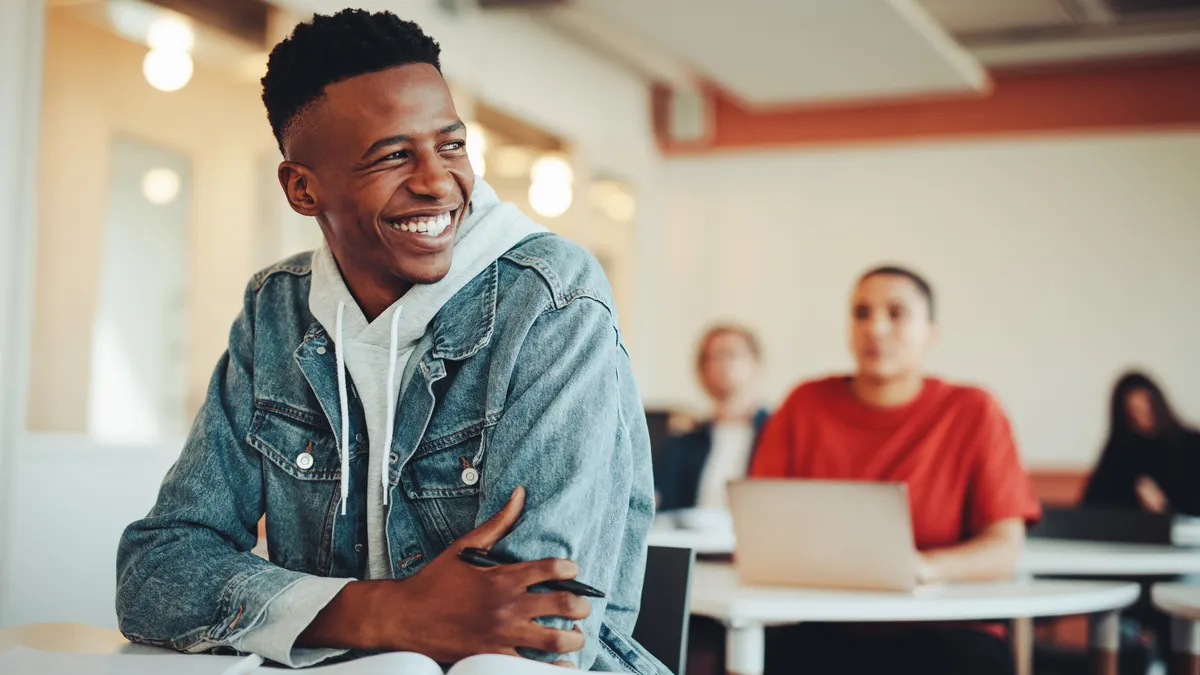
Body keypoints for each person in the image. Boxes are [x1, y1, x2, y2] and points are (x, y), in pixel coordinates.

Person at [115, 10, 664, 673]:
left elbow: (535, 626)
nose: (437, 181)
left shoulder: (550, 296)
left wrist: (313, 612)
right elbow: (156, 571)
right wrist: (386, 611)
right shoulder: (277, 311)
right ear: (302, 188)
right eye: (394, 154)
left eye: (451, 145)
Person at [750, 265, 1042, 675]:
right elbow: (762, 524)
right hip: (826, 622)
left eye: (897, 313)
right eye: (861, 313)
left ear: (931, 333)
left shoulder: (974, 411)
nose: (876, 328)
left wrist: (926, 567)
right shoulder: (804, 404)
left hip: (946, 627)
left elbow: (1004, 548)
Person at [656, 324, 769, 512]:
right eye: (708, 358)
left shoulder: (778, 435)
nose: (718, 364)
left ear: (757, 363)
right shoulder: (683, 442)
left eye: (730, 354)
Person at [1083, 371, 1200, 516]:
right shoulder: (1119, 451)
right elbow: (1091, 508)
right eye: (1135, 411)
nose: (1144, 418)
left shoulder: (1190, 444)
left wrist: (1165, 505)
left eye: (1147, 407)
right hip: (1128, 534)